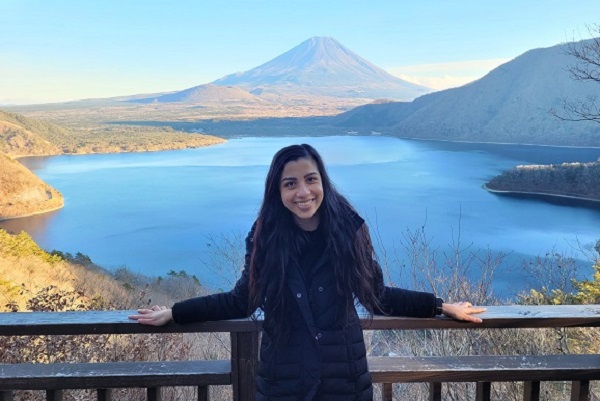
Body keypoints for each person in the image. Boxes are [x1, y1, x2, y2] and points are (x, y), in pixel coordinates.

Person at [129, 143, 485, 401]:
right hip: (284, 383)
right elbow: (242, 300)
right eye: (290, 183)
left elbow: (376, 295)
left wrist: (440, 306)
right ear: (277, 190)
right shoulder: (266, 237)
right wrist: (176, 312)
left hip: (344, 381)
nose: (303, 192)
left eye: (310, 179)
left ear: (322, 182)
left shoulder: (349, 230)